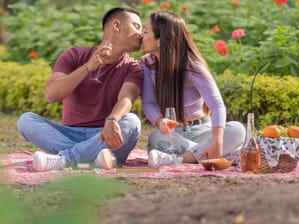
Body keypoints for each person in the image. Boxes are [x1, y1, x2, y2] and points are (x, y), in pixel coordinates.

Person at [17, 7, 144, 172]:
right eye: (136, 26)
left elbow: (126, 98)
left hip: (106, 135)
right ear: (117, 26)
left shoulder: (133, 68)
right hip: (69, 134)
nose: (141, 34)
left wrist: (112, 119)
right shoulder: (74, 55)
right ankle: (93, 158)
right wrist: (87, 68)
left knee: (132, 122)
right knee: (26, 121)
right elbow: (51, 95)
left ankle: (65, 159)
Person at [140, 10, 246, 168]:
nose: (141, 34)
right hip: (174, 135)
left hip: (204, 130)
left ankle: (180, 159)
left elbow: (217, 104)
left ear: (160, 40)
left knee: (237, 130)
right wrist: (160, 121)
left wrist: (216, 139)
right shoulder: (147, 64)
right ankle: (220, 154)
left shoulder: (192, 67)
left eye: (145, 30)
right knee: (155, 138)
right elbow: (148, 102)